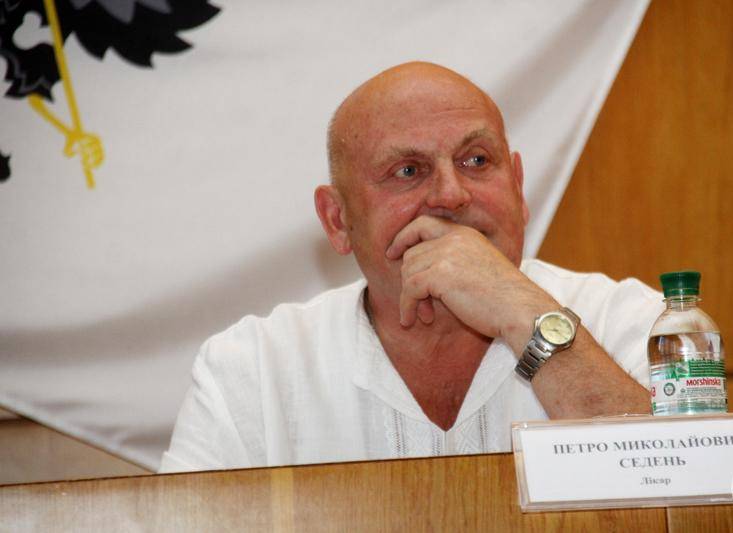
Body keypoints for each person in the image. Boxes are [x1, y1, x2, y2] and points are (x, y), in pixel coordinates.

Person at [159, 62, 663, 472]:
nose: (451, 194)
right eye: (407, 171)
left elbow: (683, 491)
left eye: (476, 161)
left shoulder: (637, 324)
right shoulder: (252, 369)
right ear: (338, 220)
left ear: (518, 186)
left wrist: (523, 313)